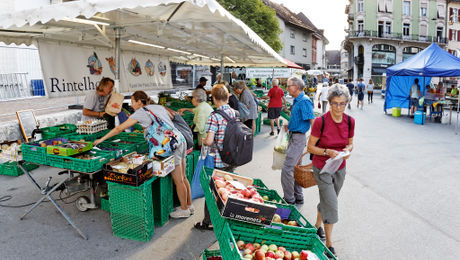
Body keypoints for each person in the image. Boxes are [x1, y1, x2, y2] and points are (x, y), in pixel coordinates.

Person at [93, 91, 193, 219]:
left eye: (133, 102)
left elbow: (118, 129)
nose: (132, 105)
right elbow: (171, 119)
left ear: (139, 102)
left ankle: (184, 210)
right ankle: (189, 205)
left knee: (178, 180)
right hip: (180, 140)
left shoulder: (141, 112)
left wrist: (101, 140)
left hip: (171, 145)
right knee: (183, 178)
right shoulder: (158, 107)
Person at [307, 84, 355, 259]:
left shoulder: (350, 121)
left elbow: (350, 143)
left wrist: (348, 151)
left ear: (347, 103)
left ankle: (317, 225)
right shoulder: (321, 121)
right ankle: (329, 244)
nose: (339, 108)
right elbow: (310, 147)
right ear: (329, 102)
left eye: (342, 103)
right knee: (332, 204)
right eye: (335, 103)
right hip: (322, 167)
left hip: (339, 168)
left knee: (328, 200)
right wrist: (327, 151)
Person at [194, 84, 237, 231]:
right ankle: (227, 218)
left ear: (213, 98)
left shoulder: (215, 116)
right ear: (227, 97)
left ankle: (209, 221)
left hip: (218, 160)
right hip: (232, 158)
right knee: (228, 189)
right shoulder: (234, 113)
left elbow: (210, 140)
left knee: (213, 191)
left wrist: (203, 141)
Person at [281, 77, 315, 205]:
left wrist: (313, 141)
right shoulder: (297, 100)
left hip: (298, 138)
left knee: (287, 168)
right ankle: (298, 197)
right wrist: (289, 126)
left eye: (288, 86)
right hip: (294, 135)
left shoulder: (304, 101)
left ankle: (289, 200)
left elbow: (313, 121)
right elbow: (299, 119)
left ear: (296, 87)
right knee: (294, 168)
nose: (287, 88)